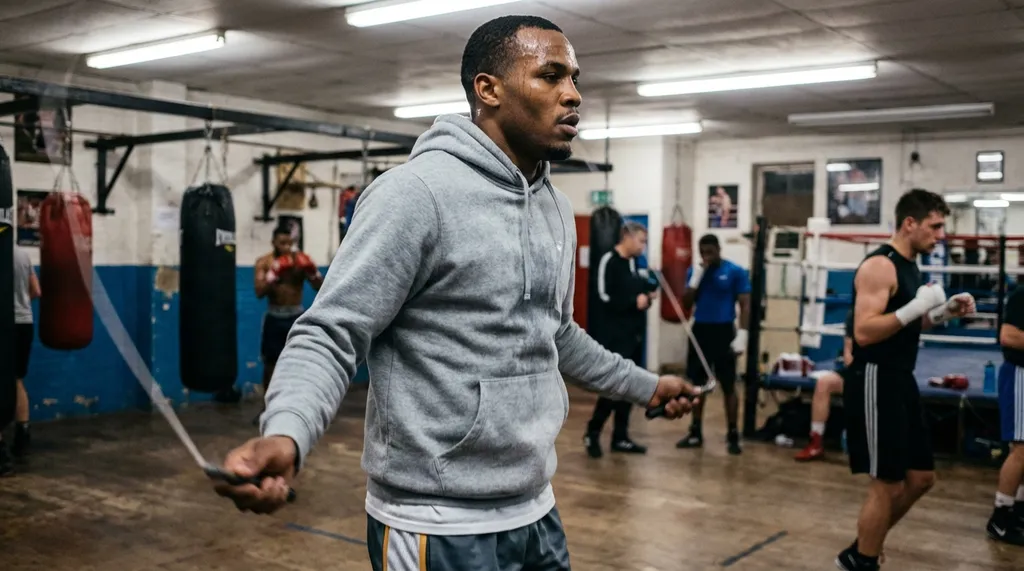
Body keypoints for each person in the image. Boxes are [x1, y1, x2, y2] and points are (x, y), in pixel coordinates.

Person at [212, 15, 698, 570]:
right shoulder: (414, 195)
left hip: (535, 507)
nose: (573, 95)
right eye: (551, 76)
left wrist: (647, 385)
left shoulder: (555, 209)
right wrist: (288, 433)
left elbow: (554, 334)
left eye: (576, 79)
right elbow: (332, 331)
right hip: (435, 519)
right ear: (487, 89)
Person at [835, 188, 975, 571]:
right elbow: (864, 332)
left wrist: (945, 311)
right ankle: (863, 561)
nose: (940, 234)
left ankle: (863, 545)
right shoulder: (880, 266)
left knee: (922, 478)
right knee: (888, 483)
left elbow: (912, 320)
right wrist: (917, 305)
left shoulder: (912, 265)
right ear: (909, 223)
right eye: (935, 226)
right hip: (875, 377)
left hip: (900, 378)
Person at [583, 221, 656, 457]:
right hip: (614, 335)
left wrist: (647, 295)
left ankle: (621, 437)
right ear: (628, 237)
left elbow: (639, 289)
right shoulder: (609, 261)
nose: (644, 246)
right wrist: (632, 302)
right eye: (642, 241)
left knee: (631, 387)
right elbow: (604, 296)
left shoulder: (635, 264)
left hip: (634, 334)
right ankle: (592, 432)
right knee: (614, 388)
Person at [676, 233, 751, 455]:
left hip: (724, 330)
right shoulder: (695, 271)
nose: (706, 256)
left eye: (710, 252)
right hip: (701, 330)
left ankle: (733, 434)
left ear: (719, 249)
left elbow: (745, 304)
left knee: (729, 385)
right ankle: (695, 432)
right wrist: (695, 279)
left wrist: (743, 334)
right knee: (698, 384)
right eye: (703, 252)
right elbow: (687, 303)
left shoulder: (734, 271)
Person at [253, 225, 323, 396]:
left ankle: (300, 401)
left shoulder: (300, 261)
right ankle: (267, 408)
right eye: (282, 243)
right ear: (274, 242)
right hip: (275, 317)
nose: (286, 247)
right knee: (271, 364)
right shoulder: (264, 262)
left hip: (296, 317)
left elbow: (319, 287)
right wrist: (273, 274)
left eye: (289, 243)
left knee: (300, 361)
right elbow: (259, 292)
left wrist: (313, 272)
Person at [986, 284, 1024, 545]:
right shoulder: (1022, 296)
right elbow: (1008, 336)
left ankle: (1018, 508)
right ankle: (1000, 515)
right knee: (1021, 449)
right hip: (1021, 373)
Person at [794, 309, 852, 462]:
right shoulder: (855, 315)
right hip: (858, 370)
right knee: (824, 383)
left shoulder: (890, 316)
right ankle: (816, 442)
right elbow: (848, 353)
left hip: (883, 371)